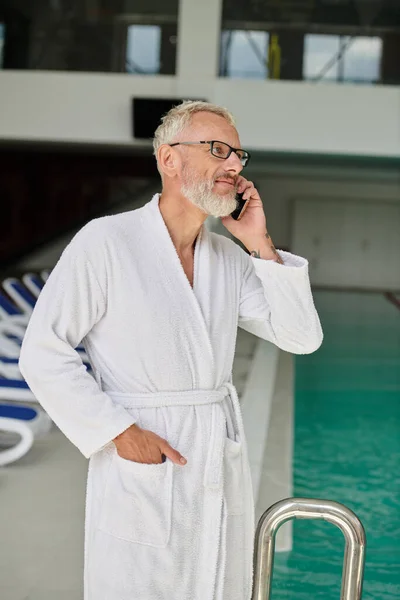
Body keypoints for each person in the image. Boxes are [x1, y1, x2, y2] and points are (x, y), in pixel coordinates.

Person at [18, 100, 323, 600]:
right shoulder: (107, 241)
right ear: (169, 159)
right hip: (145, 452)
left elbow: (301, 337)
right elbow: (43, 350)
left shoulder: (227, 257)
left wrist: (260, 243)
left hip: (213, 451)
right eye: (218, 149)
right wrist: (120, 433)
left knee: (215, 578)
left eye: (238, 155)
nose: (234, 165)